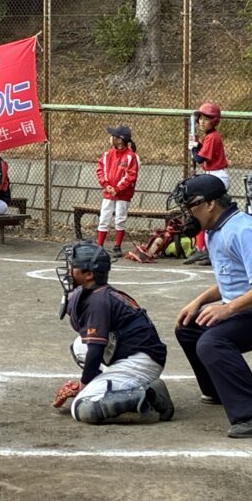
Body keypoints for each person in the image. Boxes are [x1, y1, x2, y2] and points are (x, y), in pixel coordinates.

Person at [172, 174, 252, 438]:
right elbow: (234, 279)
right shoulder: (218, 230)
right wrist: (200, 301)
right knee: (189, 328)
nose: (187, 214)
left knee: (212, 342)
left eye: (190, 206)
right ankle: (220, 390)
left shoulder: (242, 230)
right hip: (250, 309)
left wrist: (227, 309)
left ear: (210, 204)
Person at [51, 241, 174, 424]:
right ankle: (114, 385)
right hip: (128, 351)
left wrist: (84, 386)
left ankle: (148, 394)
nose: (69, 271)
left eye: (73, 266)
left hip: (141, 361)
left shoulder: (98, 301)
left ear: (89, 274)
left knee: (83, 407)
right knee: (79, 346)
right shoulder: (91, 292)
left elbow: (95, 351)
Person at [185, 102, 229, 266]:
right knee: (202, 211)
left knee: (197, 203)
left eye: (206, 119)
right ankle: (201, 248)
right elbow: (202, 152)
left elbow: (200, 159)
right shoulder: (209, 137)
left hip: (217, 177)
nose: (202, 122)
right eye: (201, 118)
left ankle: (204, 249)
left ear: (214, 121)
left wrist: (193, 149)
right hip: (212, 175)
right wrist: (197, 144)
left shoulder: (213, 137)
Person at [95, 125, 139, 258]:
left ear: (120, 140)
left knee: (120, 218)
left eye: (114, 136)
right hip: (109, 192)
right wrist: (106, 185)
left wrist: (118, 189)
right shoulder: (108, 154)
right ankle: (99, 245)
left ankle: (117, 246)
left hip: (123, 194)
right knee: (104, 218)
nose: (111, 138)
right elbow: (100, 170)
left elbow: (131, 175)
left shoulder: (131, 157)